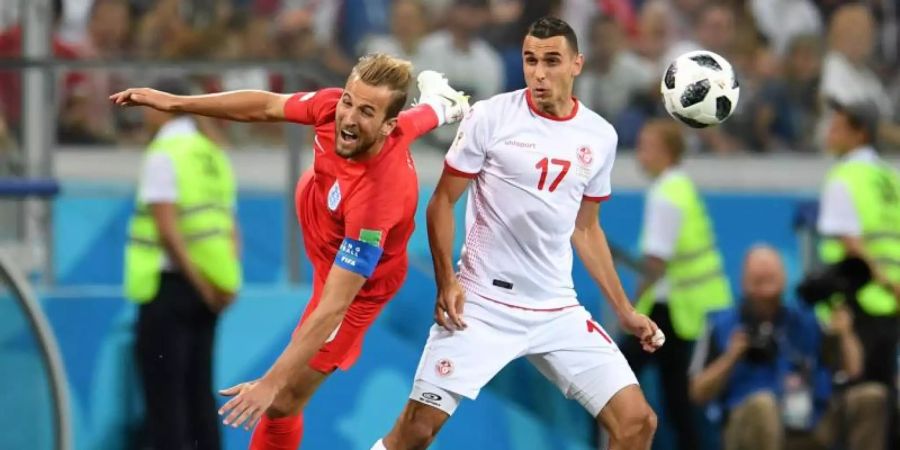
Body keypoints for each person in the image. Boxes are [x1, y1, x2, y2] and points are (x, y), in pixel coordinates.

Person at [111, 54, 469, 450]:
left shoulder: (379, 199)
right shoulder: (335, 108)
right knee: (381, 129)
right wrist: (177, 103)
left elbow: (333, 305)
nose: (347, 117)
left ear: (387, 126)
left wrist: (272, 381)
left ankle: (438, 105)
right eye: (348, 101)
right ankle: (440, 104)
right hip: (322, 213)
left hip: (357, 286)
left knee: (282, 402)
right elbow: (264, 105)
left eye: (365, 111)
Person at [371, 17, 662, 450]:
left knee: (637, 423)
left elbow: (587, 228)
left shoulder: (601, 136)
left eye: (551, 61)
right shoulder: (491, 117)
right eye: (530, 60)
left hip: (555, 307)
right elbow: (442, 203)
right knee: (415, 430)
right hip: (482, 305)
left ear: (576, 64)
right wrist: (447, 281)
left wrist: (624, 310)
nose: (539, 73)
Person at [124, 78, 241, 450]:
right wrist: (223, 286)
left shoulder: (165, 152)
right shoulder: (211, 152)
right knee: (198, 390)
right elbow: (230, 226)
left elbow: (166, 228)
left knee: (165, 397)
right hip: (210, 288)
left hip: (171, 287)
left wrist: (200, 285)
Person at [689, 245, 887, 450]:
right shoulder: (721, 323)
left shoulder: (805, 320)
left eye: (771, 272)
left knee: (870, 396)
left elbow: (853, 370)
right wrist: (731, 356)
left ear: (784, 278)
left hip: (810, 420)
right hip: (748, 424)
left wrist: (845, 332)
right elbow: (697, 392)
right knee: (763, 404)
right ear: (743, 282)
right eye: (758, 274)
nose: (765, 275)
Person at [624, 119, 732, 450]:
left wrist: (627, 308)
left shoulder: (666, 194)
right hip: (686, 310)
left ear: (667, 152)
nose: (639, 154)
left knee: (616, 381)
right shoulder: (681, 187)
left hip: (673, 310)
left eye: (646, 146)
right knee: (678, 401)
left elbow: (656, 262)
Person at [816, 97, 900, 447]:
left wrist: (882, 279)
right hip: (889, 302)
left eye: (837, 127)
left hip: (858, 296)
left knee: (860, 397)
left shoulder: (844, 177)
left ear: (859, 133)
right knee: (886, 392)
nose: (829, 133)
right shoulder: (889, 177)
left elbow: (850, 241)